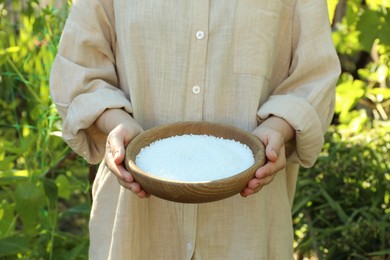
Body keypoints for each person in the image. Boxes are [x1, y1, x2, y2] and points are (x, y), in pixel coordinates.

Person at [50, 0, 340, 259]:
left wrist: (279, 127)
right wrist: (115, 122)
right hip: (134, 225)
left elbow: (314, 76)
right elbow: (79, 68)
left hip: (247, 226)